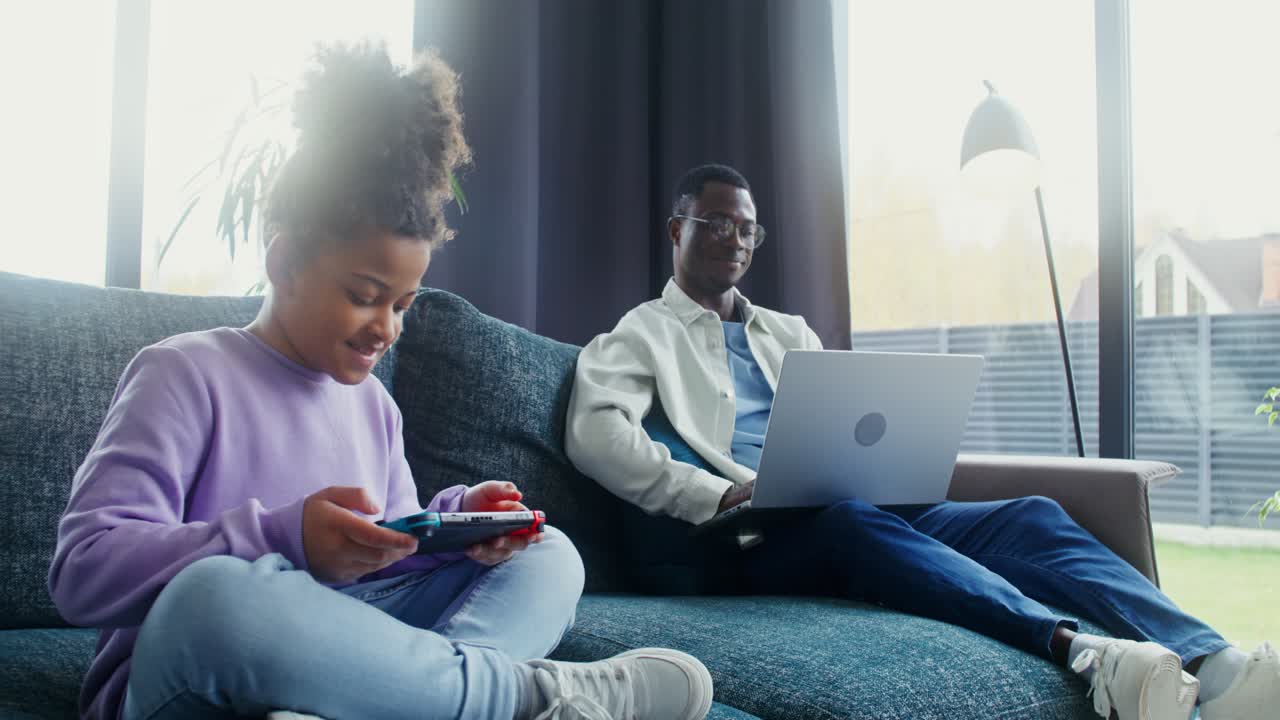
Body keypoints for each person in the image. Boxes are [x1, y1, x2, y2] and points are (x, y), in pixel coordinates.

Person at [48, 45, 712, 720]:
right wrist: (285, 538)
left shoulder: (375, 407)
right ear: (286, 264)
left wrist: (453, 524)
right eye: (365, 295)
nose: (386, 328)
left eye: (403, 304)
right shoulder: (183, 373)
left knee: (549, 556)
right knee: (215, 595)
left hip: (350, 665)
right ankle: (515, 697)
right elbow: (81, 573)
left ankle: (399, 704)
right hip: (194, 672)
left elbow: (390, 558)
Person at [565, 163, 1278, 720]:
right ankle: (1086, 652)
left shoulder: (788, 332)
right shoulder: (637, 336)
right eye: (715, 223)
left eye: (748, 228)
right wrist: (714, 490)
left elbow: (842, 420)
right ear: (675, 230)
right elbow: (595, 434)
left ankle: (1215, 666)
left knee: (1029, 515)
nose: (735, 240)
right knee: (851, 521)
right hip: (731, 539)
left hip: (836, 504)